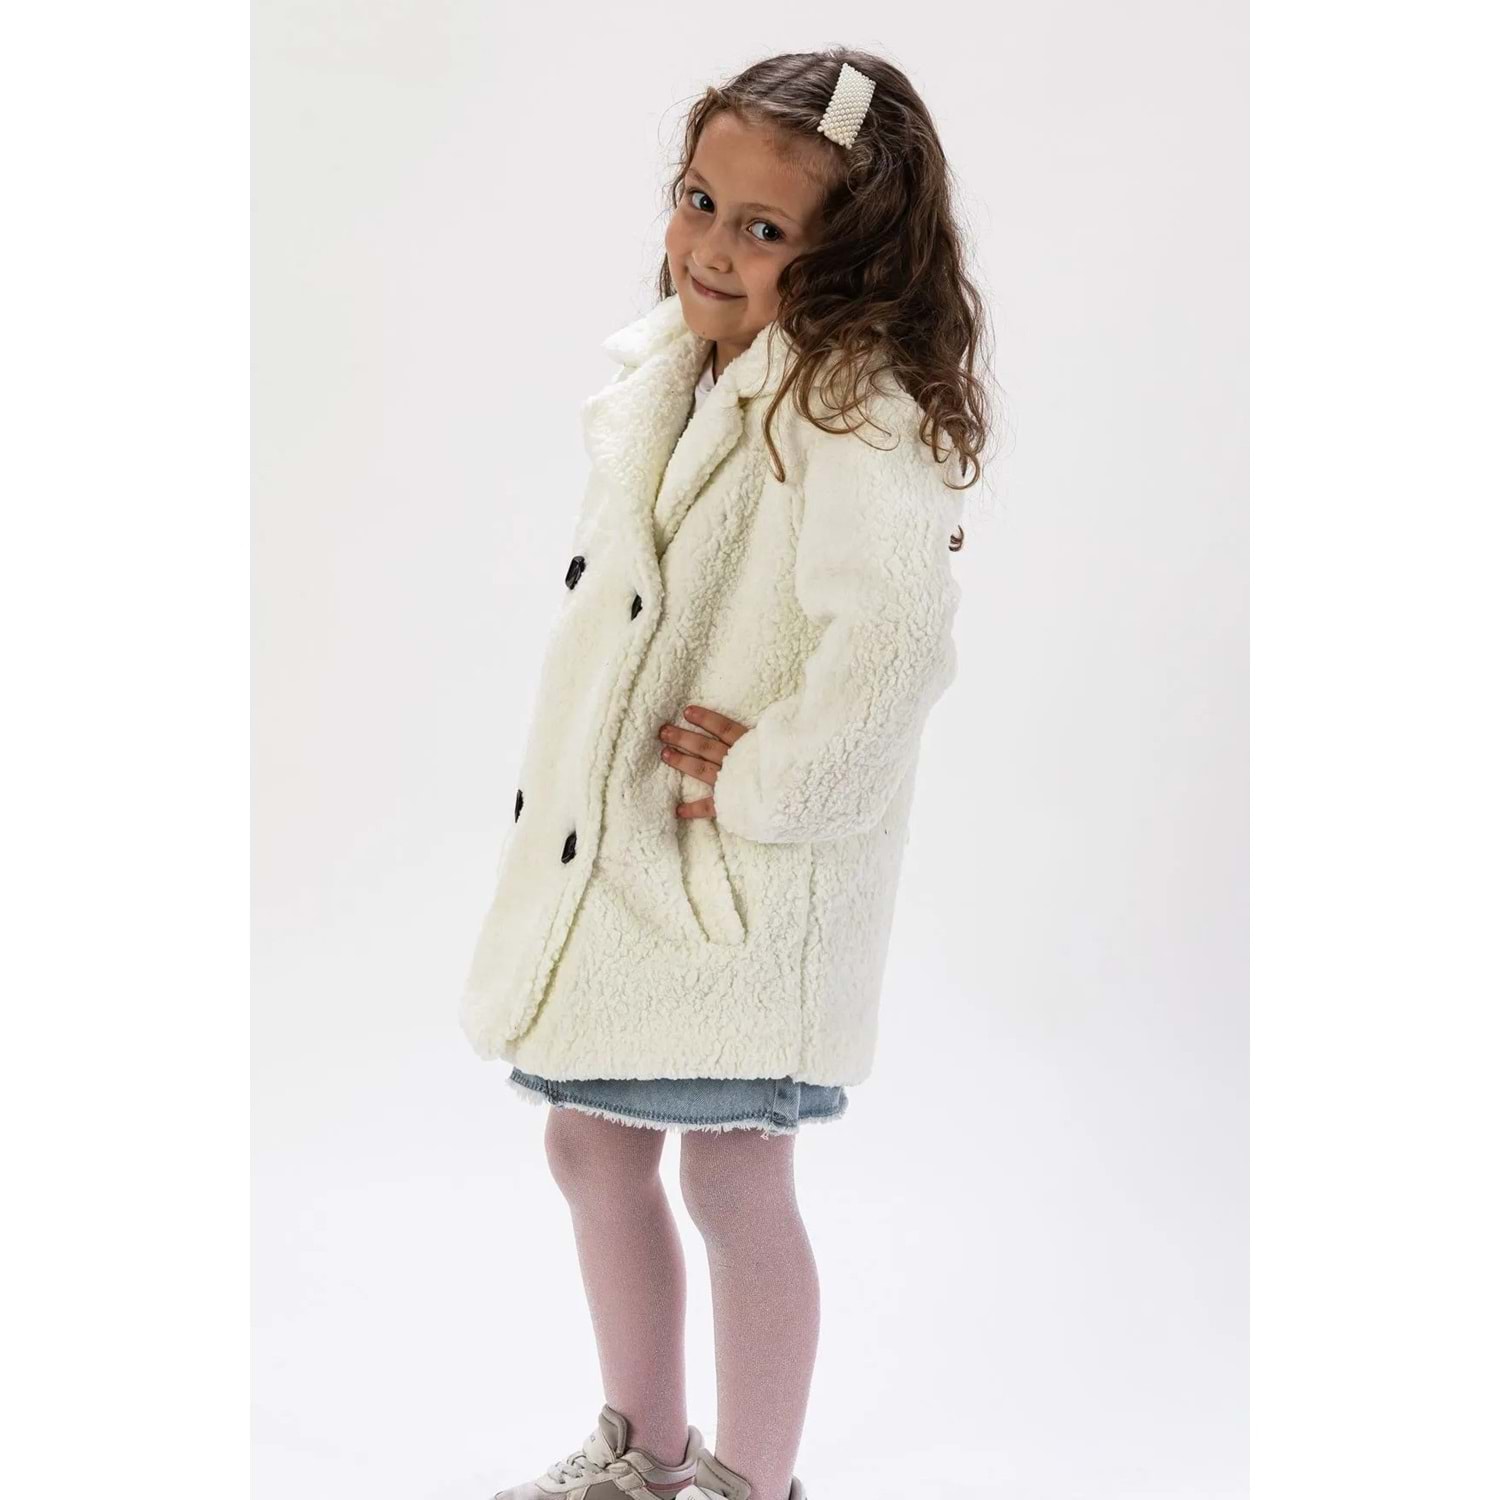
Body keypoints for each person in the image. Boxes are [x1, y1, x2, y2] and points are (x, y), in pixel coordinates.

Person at [460, 49, 992, 1500]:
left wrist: (766, 783)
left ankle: (751, 1483)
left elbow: (895, 643)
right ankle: (644, 1452)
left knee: (734, 1177)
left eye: (764, 228)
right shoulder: (674, 371)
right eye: (699, 199)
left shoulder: (848, 408)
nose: (709, 244)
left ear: (851, 254)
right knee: (590, 1146)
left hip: (736, 878)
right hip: (630, 852)